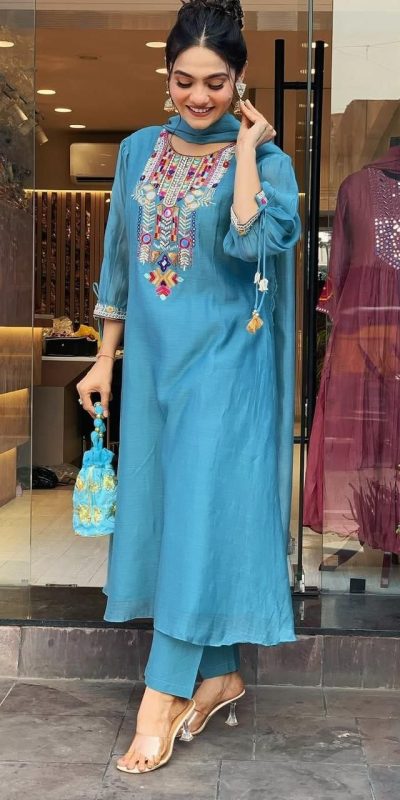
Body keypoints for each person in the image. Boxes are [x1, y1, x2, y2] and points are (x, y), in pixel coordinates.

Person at [76, 0, 301, 776]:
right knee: (173, 515)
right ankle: (221, 674)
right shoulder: (139, 151)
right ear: (165, 76)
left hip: (226, 366)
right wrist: (105, 357)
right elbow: (118, 261)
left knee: (201, 510)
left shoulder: (270, 165)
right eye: (184, 80)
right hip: (155, 366)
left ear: (239, 82)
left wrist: (245, 150)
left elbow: (249, 241)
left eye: (215, 82)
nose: (197, 96)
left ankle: (161, 695)